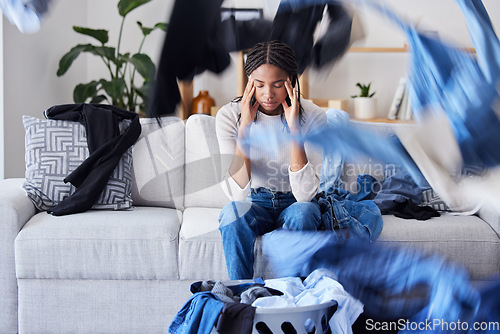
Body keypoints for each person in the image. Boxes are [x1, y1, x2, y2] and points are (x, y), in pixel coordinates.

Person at [215, 40, 327, 280]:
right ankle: (243, 294)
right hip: (257, 202)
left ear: (291, 80)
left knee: (304, 212)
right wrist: (245, 126)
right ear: (248, 83)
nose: (268, 94)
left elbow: (305, 196)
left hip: (294, 203)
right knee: (231, 212)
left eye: (278, 85)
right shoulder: (228, 116)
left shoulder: (314, 116)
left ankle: (292, 293)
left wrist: (295, 128)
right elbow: (237, 195)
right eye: (259, 85)